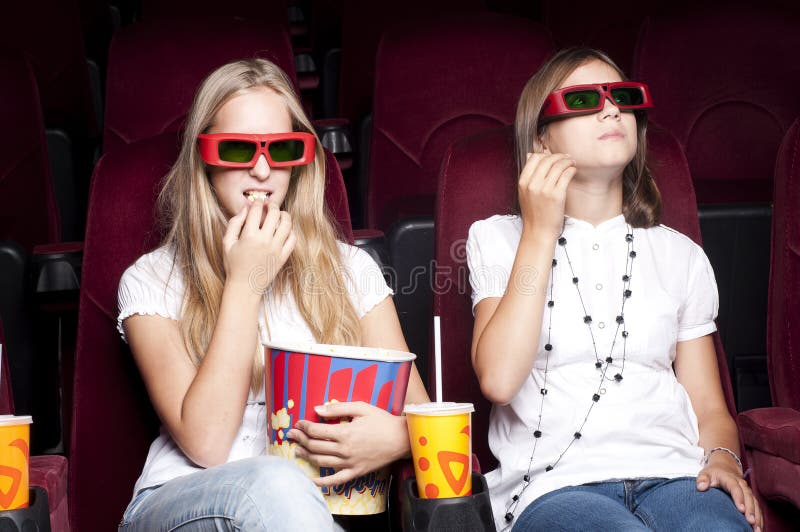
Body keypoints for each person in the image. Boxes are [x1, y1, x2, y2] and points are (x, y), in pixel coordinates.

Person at [116, 58, 429, 531]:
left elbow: (426, 417)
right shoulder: (151, 279)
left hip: (314, 511)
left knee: (286, 490)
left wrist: (398, 438)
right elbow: (207, 443)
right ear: (203, 158)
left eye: (282, 149)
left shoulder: (351, 269)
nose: (263, 169)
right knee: (277, 481)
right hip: (181, 502)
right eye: (239, 150)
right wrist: (245, 283)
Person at [466, 48, 762, 532]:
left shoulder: (681, 255)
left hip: (679, 479)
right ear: (541, 137)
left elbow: (709, 406)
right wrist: (540, 232)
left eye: (622, 97)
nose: (610, 110)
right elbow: (498, 378)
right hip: (556, 489)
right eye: (583, 99)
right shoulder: (497, 239)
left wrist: (725, 458)